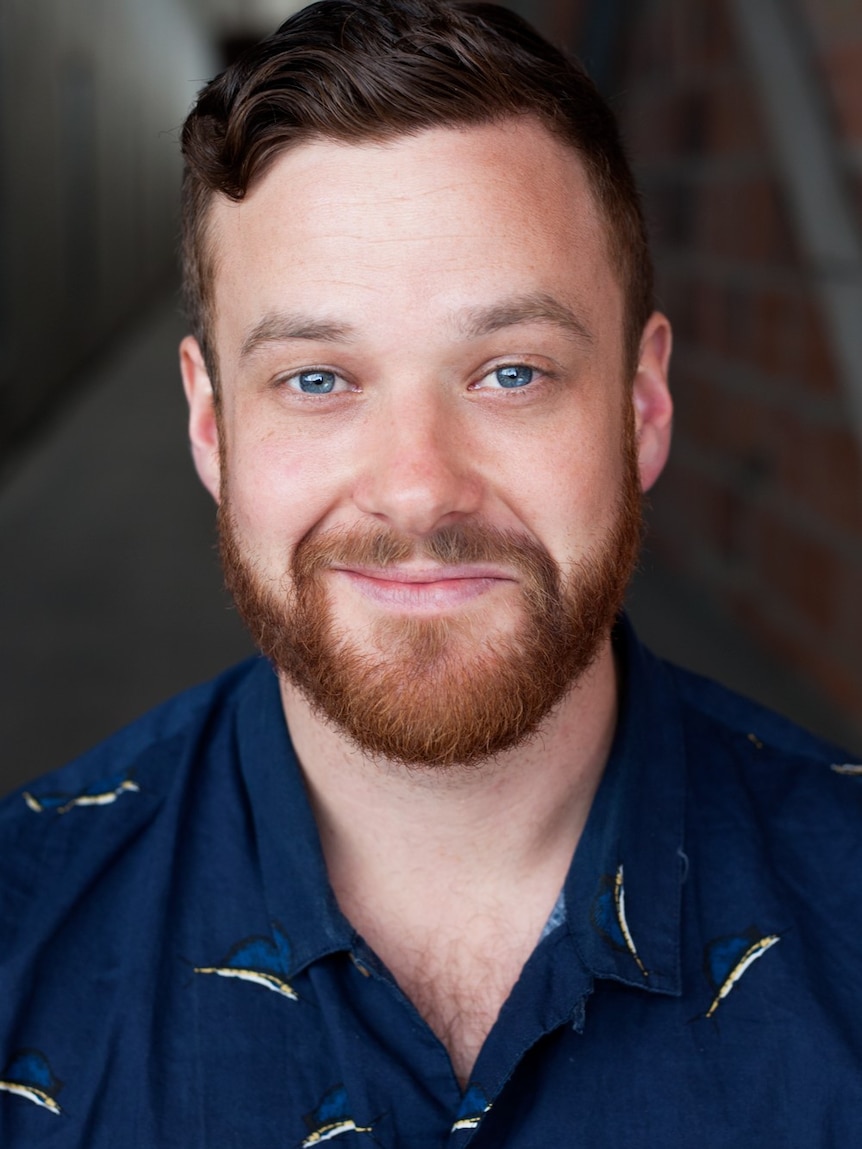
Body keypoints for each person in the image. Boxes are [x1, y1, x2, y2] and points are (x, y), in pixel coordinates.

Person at [1, 1, 861, 1144]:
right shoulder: (24, 926)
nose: (417, 489)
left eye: (509, 372)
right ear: (211, 426)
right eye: (316, 379)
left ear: (641, 405)